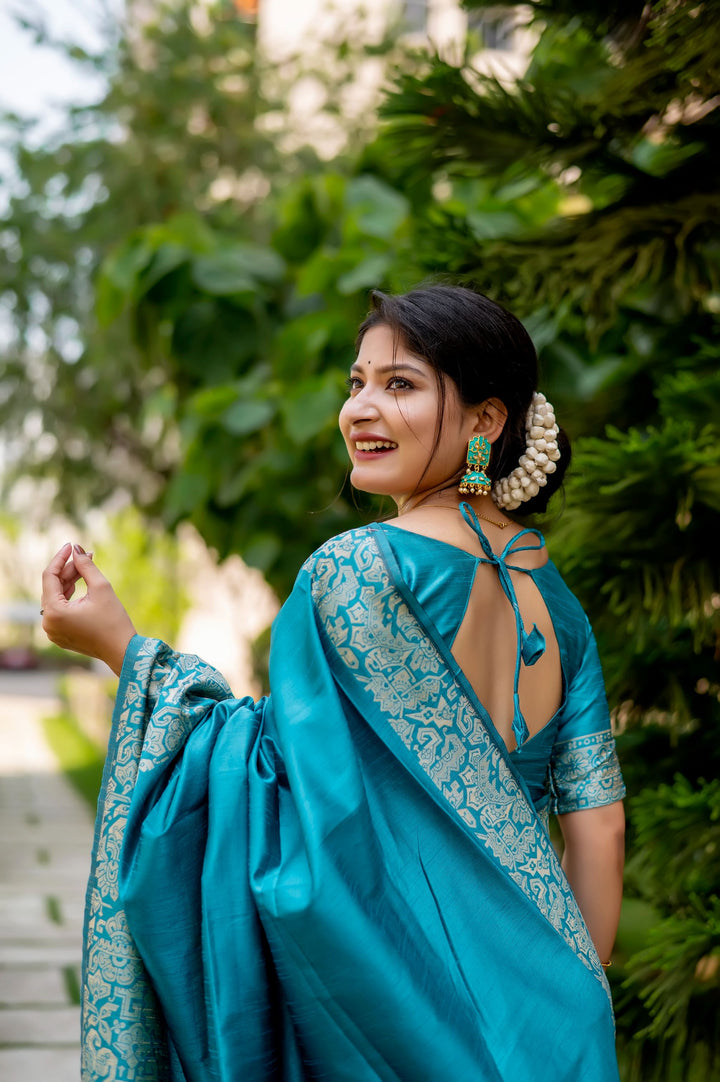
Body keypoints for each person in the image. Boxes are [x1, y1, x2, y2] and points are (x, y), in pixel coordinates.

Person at [42, 285, 625, 1082]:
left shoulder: (358, 571)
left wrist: (126, 651)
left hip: (396, 1013)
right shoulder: (562, 611)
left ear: (487, 422)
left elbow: (272, 783)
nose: (361, 409)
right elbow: (600, 830)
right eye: (357, 384)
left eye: (401, 384)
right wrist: (562, 999)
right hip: (549, 1026)